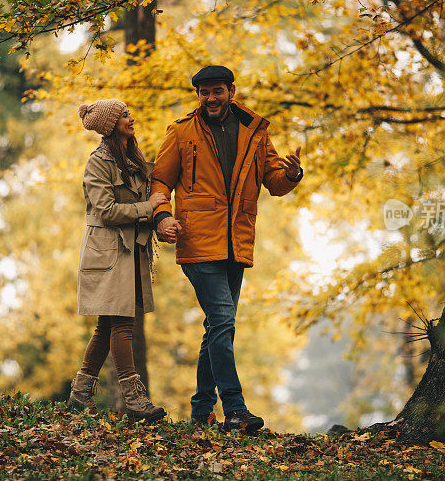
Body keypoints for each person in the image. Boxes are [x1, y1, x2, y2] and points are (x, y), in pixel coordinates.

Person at [150, 65, 303, 432]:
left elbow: (273, 182)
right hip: (197, 239)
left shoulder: (255, 130)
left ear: (231, 91)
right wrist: (160, 217)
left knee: (218, 327)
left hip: (237, 242)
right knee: (222, 321)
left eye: (217, 91)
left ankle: (202, 409)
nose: (211, 98)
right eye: (204, 93)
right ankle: (235, 409)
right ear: (198, 96)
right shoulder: (182, 132)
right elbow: (160, 180)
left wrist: (293, 174)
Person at [67, 98, 167, 422]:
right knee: (122, 323)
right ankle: (135, 400)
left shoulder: (133, 157)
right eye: (123, 115)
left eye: (128, 112)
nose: (130, 117)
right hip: (107, 252)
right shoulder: (98, 163)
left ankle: (79, 394)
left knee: (106, 325)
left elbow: (146, 198)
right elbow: (106, 211)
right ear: (110, 126)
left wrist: (160, 219)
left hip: (129, 251)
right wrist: (148, 208)